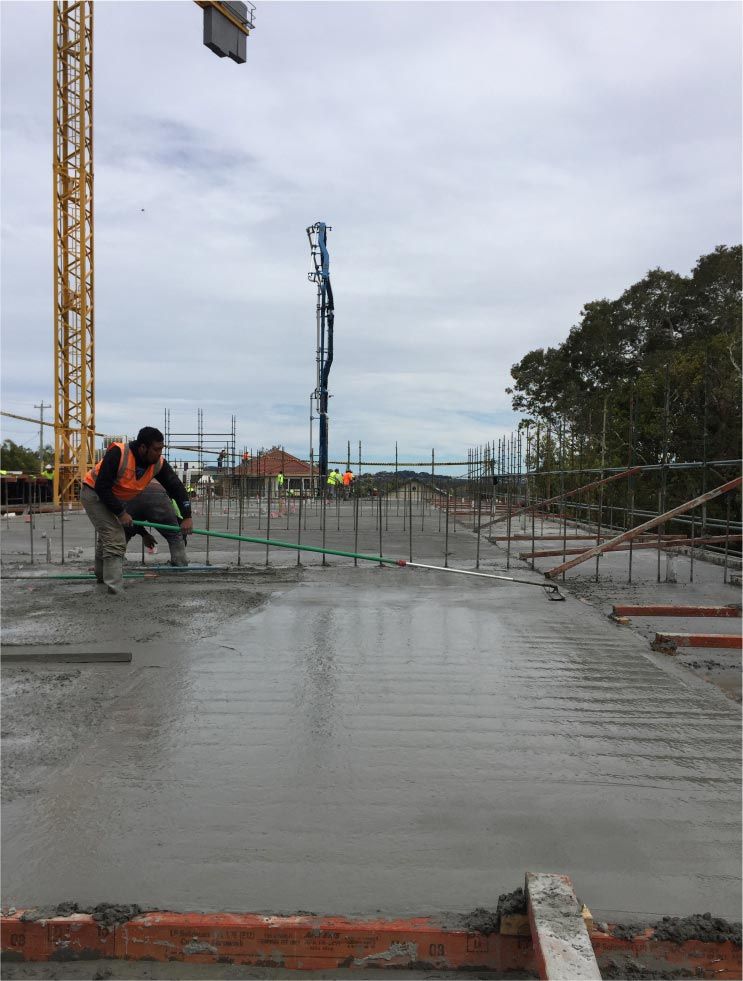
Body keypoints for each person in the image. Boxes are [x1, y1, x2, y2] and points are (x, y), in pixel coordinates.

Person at [81, 427, 193, 595]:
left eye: (161, 449)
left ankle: (102, 577)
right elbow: (102, 487)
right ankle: (115, 590)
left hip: (115, 498)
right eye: (156, 449)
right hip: (95, 494)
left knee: (108, 537)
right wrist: (121, 513)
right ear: (143, 447)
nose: (159, 453)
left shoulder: (157, 464)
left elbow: (175, 487)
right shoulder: (119, 453)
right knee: (114, 537)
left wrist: (187, 516)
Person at [124, 480, 189, 567]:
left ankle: (116, 560)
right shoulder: (170, 492)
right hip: (156, 492)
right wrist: (187, 518)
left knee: (124, 529)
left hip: (131, 491)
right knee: (174, 535)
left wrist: (144, 534)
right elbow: (178, 526)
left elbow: (132, 521)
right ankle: (180, 561)